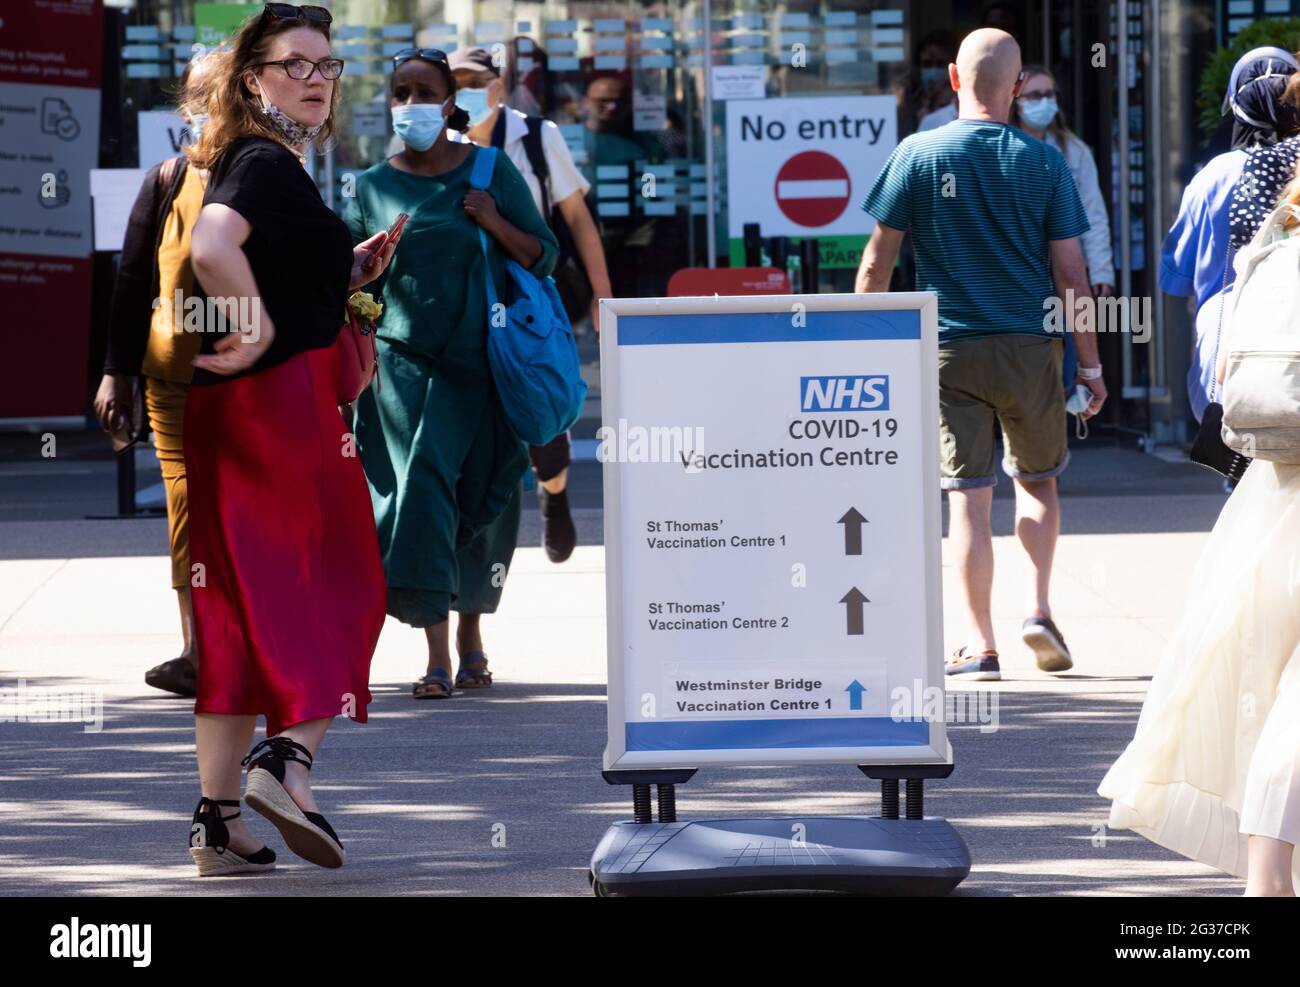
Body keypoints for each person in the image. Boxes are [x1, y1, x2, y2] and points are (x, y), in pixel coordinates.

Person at [181, 2, 400, 876]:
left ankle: (217, 822)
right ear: (252, 81)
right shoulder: (265, 163)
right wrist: (253, 323)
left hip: (230, 409)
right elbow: (211, 244)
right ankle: (287, 760)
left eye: (327, 66)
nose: (317, 80)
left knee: (233, 610)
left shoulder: (254, 162)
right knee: (349, 580)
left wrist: (346, 269)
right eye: (295, 65)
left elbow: (243, 249)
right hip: (283, 400)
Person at [855, 28, 1106, 680]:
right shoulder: (1044, 161)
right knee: (1038, 480)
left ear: (954, 80)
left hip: (948, 348)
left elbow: (875, 265)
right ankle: (1039, 608)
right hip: (1029, 347)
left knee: (966, 497)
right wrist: (1090, 364)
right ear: (1018, 88)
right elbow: (1072, 274)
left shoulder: (916, 154)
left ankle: (978, 643)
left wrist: (867, 351)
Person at [1100, 164, 1300, 897]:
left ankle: (1268, 876)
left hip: (1275, 495)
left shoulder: (1279, 231)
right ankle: (1271, 880)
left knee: (1278, 688)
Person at [345, 47, 558, 700]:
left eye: (422, 92)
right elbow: (347, 285)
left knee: (482, 501)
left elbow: (544, 255)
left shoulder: (490, 171)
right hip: (401, 374)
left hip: (487, 367)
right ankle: (437, 650)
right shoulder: (371, 185)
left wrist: (491, 219)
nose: (409, 103)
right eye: (399, 92)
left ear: (448, 104)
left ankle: (472, 635)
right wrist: (361, 272)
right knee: (419, 494)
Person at [452, 45, 611, 565]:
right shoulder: (437, 142)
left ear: (498, 86)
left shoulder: (539, 138)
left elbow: (579, 219)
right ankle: (477, 538)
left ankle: (555, 492)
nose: (464, 93)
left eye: (474, 81)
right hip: (466, 304)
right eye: (454, 83)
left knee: (545, 416)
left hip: (532, 297)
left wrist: (601, 295)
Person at [95, 55, 219, 698]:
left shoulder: (263, 177)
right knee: (187, 509)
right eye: (202, 94)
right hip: (171, 376)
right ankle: (197, 650)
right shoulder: (168, 178)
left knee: (248, 513)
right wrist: (116, 372)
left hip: (251, 379)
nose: (212, 106)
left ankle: (249, 644)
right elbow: (131, 279)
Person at [1162, 47, 1300, 421]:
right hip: (1292, 344)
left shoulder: (1216, 175)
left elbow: (1175, 276)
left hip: (1231, 347)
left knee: (1239, 466)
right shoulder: (1291, 168)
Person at [1011, 64, 1114, 299]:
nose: (1045, 101)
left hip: (1066, 272)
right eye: (1035, 95)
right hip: (1017, 273)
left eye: (1050, 94)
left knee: (1068, 333)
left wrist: (1100, 272)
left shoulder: (1075, 150)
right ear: (1016, 101)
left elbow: (1093, 214)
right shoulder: (1001, 148)